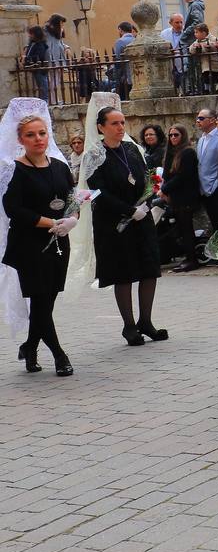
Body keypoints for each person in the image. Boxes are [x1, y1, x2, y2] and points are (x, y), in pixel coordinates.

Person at [1, 99, 77, 377]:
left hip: (59, 242)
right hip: (29, 244)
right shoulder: (14, 169)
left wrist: (72, 219)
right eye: (31, 135)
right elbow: (14, 209)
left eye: (42, 133)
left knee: (47, 300)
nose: (38, 139)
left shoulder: (59, 166)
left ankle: (30, 346)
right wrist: (50, 222)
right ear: (20, 139)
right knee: (41, 300)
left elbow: (71, 198)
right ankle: (59, 354)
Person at [85, 105, 165, 347]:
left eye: (122, 123)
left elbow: (147, 177)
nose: (121, 128)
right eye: (114, 123)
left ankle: (146, 322)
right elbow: (97, 192)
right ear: (101, 127)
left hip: (141, 216)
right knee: (124, 272)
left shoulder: (131, 148)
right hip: (115, 222)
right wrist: (129, 211)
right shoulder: (95, 155)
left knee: (149, 268)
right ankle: (129, 326)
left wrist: (147, 200)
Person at [160, 124, 202, 272]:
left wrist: (164, 189)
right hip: (176, 197)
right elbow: (168, 174)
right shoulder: (172, 153)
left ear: (182, 135)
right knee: (182, 229)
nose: (173, 138)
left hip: (186, 197)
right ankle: (188, 256)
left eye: (176, 135)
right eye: (171, 135)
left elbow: (183, 176)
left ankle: (192, 259)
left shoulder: (187, 153)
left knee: (186, 229)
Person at [195, 107, 218, 232]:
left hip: (216, 188)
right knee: (215, 224)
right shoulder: (201, 139)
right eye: (197, 118)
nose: (197, 121)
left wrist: (216, 184)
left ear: (212, 120)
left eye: (201, 118)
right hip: (203, 190)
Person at [23, 25, 50, 104]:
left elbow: (39, 56)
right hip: (35, 68)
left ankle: (45, 103)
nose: (29, 35)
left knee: (43, 87)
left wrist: (27, 59)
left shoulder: (40, 44)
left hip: (40, 69)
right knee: (40, 86)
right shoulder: (33, 44)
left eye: (31, 33)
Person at [161, 12, 187, 89]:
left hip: (184, 63)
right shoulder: (164, 33)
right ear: (170, 23)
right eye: (177, 22)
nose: (179, 25)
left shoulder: (186, 32)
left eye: (181, 22)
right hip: (170, 65)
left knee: (185, 87)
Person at [112, 21, 136, 98]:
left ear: (120, 30)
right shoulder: (136, 39)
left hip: (126, 77)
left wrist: (116, 77)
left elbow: (118, 60)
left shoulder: (120, 41)